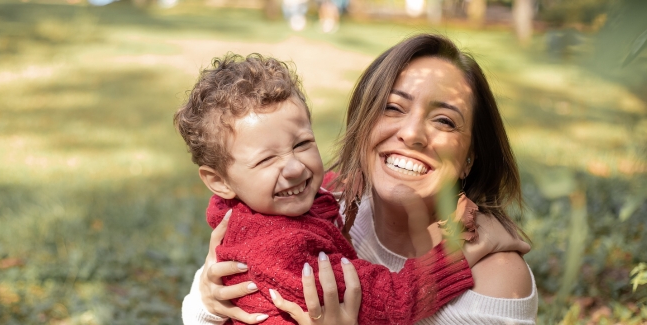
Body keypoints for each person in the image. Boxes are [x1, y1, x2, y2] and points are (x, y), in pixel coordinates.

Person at [176, 51, 532, 324]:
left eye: (444, 120)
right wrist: (206, 301)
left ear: (472, 154)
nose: (295, 167)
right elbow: (394, 299)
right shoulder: (288, 233)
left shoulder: (314, 199)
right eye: (393, 107)